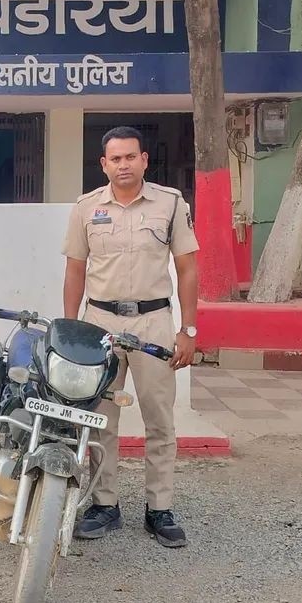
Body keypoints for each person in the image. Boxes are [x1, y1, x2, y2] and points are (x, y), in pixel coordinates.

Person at [61, 126, 199, 548]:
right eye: (115, 158)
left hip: (153, 321)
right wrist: (71, 330)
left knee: (159, 419)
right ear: (104, 164)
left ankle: (160, 509)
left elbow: (188, 268)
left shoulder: (170, 204)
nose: (123, 165)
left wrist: (188, 330)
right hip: (99, 324)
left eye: (130, 157)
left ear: (144, 160)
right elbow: (75, 270)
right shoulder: (86, 207)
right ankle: (105, 504)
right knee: (99, 419)